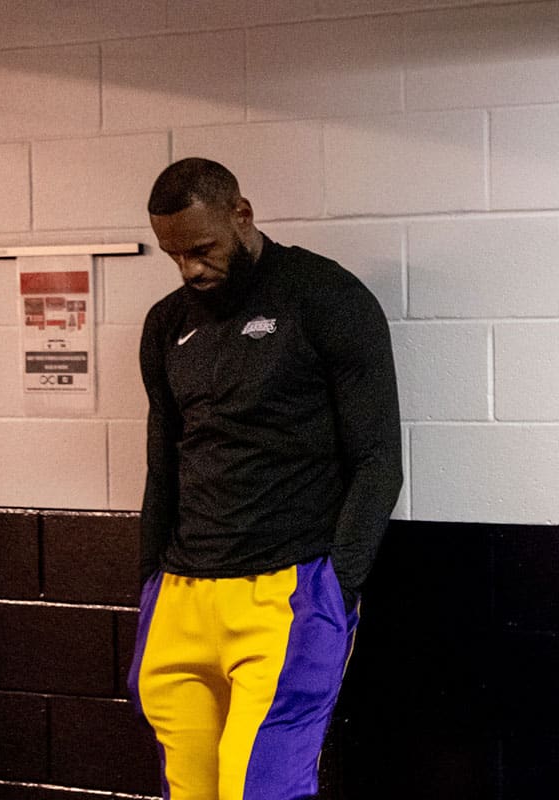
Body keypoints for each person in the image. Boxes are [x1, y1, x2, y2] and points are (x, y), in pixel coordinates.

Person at [127, 158, 402, 799]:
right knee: (187, 792)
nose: (190, 268)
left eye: (202, 249)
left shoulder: (325, 298)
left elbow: (378, 458)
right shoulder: (167, 324)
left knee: (261, 790)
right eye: (173, 255)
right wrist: (148, 585)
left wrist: (335, 592)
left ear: (241, 215)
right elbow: (163, 463)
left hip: (286, 594)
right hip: (180, 597)